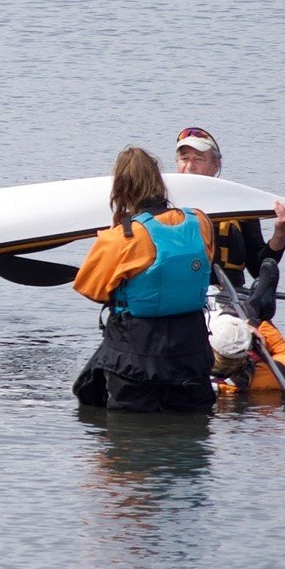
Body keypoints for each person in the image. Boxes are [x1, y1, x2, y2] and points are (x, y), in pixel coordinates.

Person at [71, 145, 220, 413]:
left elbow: (91, 289)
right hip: (191, 348)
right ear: (159, 181)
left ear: (122, 189)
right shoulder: (200, 221)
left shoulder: (121, 237)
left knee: (126, 434)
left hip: (135, 354)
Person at [172, 126, 285, 289]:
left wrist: (281, 231)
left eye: (198, 159)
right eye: (184, 158)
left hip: (228, 297)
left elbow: (258, 268)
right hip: (178, 298)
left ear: (216, 165)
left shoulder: (237, 204)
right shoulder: (164, 205)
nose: (190, 166)